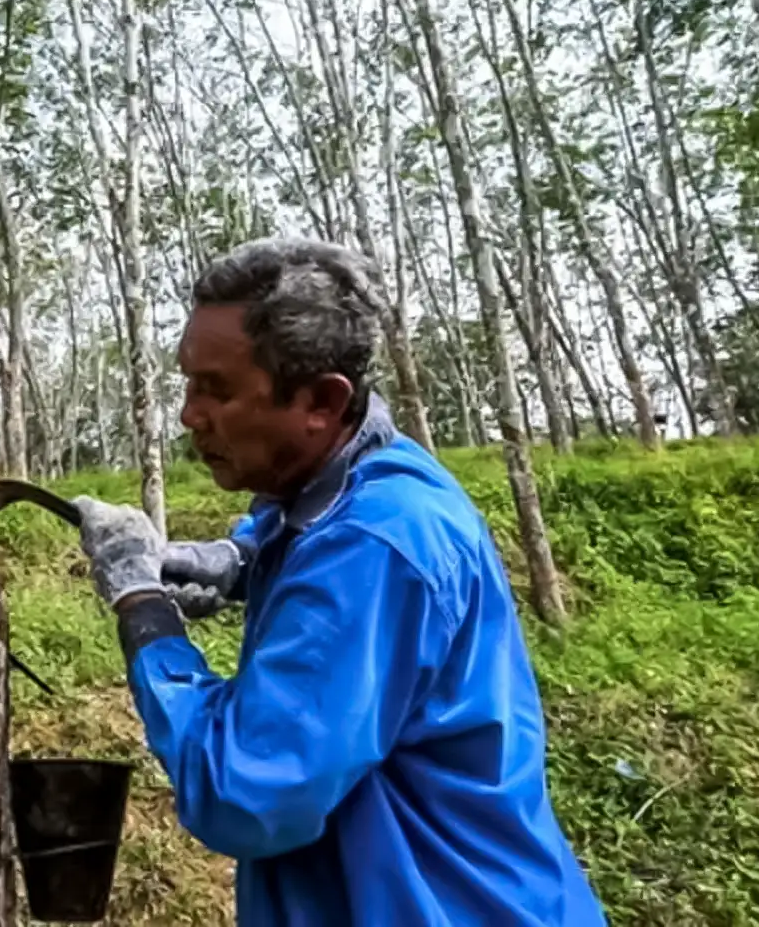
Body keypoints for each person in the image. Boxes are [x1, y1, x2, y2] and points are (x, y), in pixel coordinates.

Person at [71, 238, 605, 926]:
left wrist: (142, 608)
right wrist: (236, 561)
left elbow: (246, 792)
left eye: (218, 389)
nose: (189, 414)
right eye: (188, 381)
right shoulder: (365, 472)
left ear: (322, 401)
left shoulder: (373, 544)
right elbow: (295, 519)